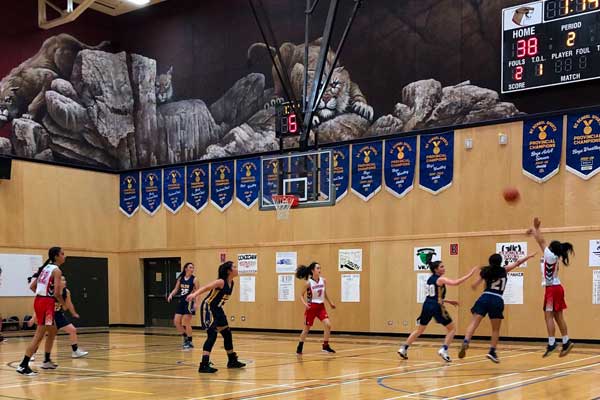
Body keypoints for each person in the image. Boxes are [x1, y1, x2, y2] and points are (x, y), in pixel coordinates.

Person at [458, 253, 535, 363]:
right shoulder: (504, 270)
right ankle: (492, 351)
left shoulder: (485, 271)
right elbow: (518, 262)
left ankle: (466, 340)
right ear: (500, 261)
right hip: (497, 299)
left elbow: (474, 285)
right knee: (495, 329)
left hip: (484, 297)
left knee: (473, 323)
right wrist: (529, 256)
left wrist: (476, 283)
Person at [398, 261, 478, 362]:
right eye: (441, 267)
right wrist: (470, 274)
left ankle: (403, 348)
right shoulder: (441, 279)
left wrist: (448, 301)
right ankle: (444, 349)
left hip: (427, 305)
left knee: (419, 330)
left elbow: (434, 296)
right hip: (436, 306)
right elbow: (455, 283)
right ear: (436, 269)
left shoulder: (430, 279)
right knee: (452, 329)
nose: (444, 268)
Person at [527, 217, 575, 357]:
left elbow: (541, 241)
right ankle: (566, 341)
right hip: (557, 287)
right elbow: (541, 241)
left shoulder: (549, 255)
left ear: (551, 248)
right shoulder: (554, 257)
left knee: (548, 316)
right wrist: (534, 231)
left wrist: (536, 228)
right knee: (558, 316)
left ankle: (552, 343)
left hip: (552, 289)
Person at [186, 261, 245, 373]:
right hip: (208, 308)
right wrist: (194, 295)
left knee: (227, 333)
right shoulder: (221, 282)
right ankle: (203, 364)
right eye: (234, 267)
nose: (237, 268)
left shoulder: (231, 283)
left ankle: (232, 360)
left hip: (218, 309)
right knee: (212, 335)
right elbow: (206, 287)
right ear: (229, 271)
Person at [17, 247, 67, 376]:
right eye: (62, 254)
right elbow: (57, 292)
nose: (64, 256)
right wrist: (63, 304)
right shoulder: (56, 271)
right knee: (39, 335)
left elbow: (33, 286)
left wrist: (42, 296)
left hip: (39, 300)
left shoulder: (45, 268)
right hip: (46, 303)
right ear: (56, 256)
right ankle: (23, 365)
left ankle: (46, 360)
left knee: (53, 329)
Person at [294, 262, 336, 355]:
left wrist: (330, 303)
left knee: (328, 325)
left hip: (321, 306)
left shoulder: (323, 280)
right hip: (312, 307)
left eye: (320, 268)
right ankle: (300, 346)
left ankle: (325, 346)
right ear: (312, 270)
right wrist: (305, 304)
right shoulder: (308, 283)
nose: (319, 270)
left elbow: (324, 293)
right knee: (306, 329)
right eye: (317, 268)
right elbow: (301, 295)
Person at [54, 276, 88, 358]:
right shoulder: (52, 291)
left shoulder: (66, 292)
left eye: (65, 279)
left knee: (72, 330)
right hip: (49, 315)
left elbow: (69, 304)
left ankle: (75, 351)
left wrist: (74, 313)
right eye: (62, 280)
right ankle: (32, 354)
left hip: (58, 314)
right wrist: (34, 317)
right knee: (43, 335)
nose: (64, 281)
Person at [167, 262, 198, 349]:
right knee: (176, 322)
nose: (192, 269)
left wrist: (196, 303)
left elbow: (197, 293)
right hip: (181, 302)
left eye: (193, 267)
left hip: (189, 303)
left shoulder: (195, 279)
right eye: (190, 267)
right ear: (186, 269)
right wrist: (171, 295)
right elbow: (176, 289)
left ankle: (190, 341)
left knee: (186, 322)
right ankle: (185, 337)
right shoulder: (181, 279)